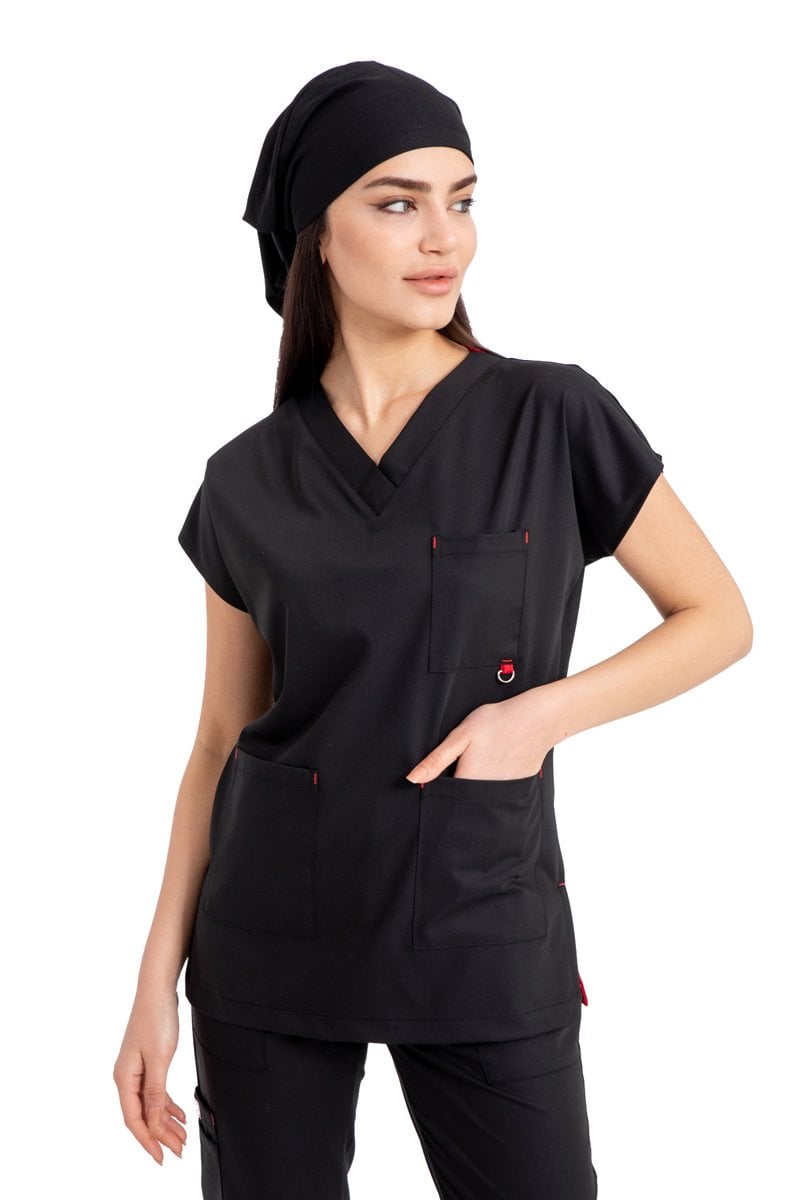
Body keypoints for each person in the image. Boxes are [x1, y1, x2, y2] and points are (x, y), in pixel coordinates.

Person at [113, 60, 753, 1199]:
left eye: (461, 200)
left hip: (480, 932)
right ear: (317, 235)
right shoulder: (245, 479)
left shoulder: (549, 414)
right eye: (397, 202)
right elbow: (219, 742)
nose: (442, 237)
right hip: (268, 946)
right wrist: (153, 984)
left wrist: (538, 717)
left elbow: (717, 618)